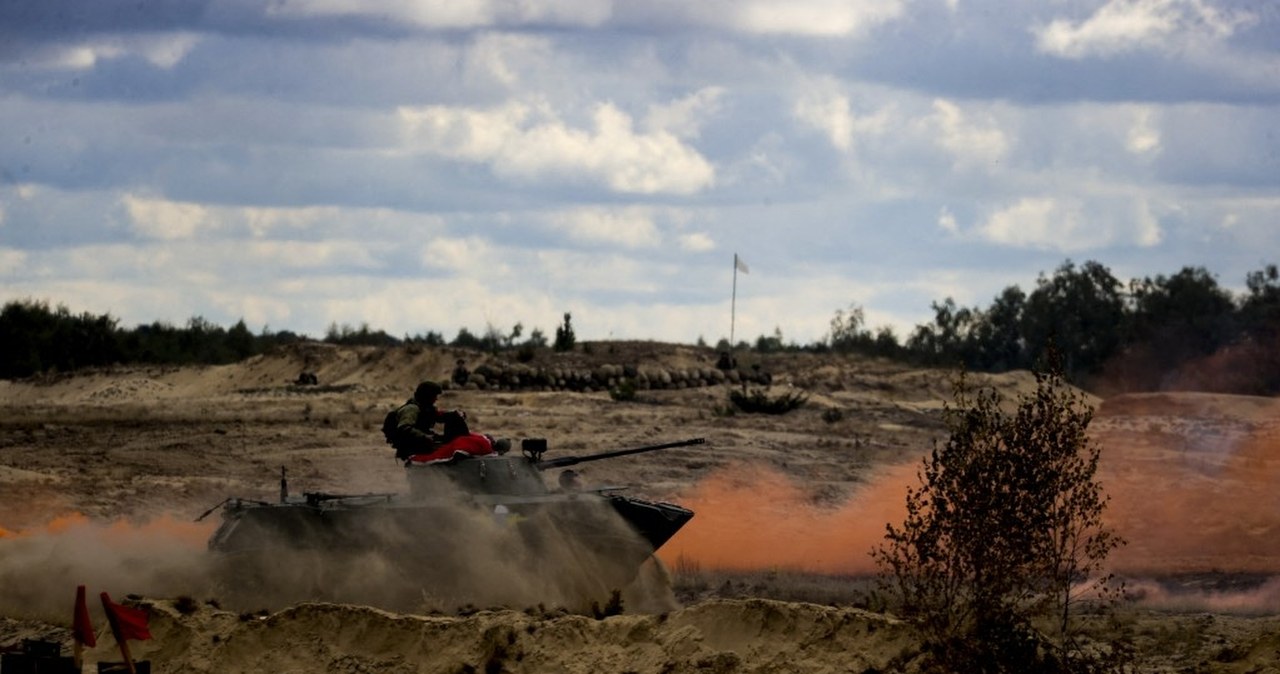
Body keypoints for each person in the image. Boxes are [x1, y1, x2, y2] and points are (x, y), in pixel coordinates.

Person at [385, 380, 494, 463]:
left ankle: (462, 443)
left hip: (424, 440)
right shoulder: (411, 409)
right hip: (414, 445)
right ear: (427, 396)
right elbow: (404, 428)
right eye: (434, 396)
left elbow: (439, 416)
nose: (436, 399)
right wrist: (424, 436)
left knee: (454, 417)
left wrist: (456, 414)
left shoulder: (426, 408)